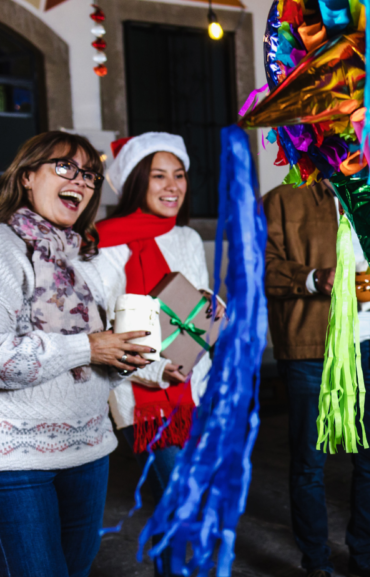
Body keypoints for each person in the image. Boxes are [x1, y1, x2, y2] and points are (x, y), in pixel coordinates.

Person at [0, 132, 152, 577]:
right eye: (64, 167)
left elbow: (96, 365)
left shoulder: (82, 259)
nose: (81, 181)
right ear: (28, 176)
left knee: (76, 570)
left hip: (89, 448)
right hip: (19, 462)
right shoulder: (5, 250)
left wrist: (125, 357)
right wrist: (90, 345)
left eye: (89, 174)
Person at [74, 132, 217, 577]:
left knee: (184, 507)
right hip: (148, 400)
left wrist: (213, 307)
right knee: (178, 505)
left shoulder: (189, 239)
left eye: (179, 175)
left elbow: (194, 311)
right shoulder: (105, 245)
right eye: (158, 176)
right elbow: (99, 329)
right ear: (137, 180)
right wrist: (157, 369)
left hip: (196, 392)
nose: (172, 185)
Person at [265, 181, 370, 577]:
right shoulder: (282, 200)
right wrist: (314, 279)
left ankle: (366, 557)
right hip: (311, 350)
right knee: (309, 464)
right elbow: (260, 268)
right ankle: (317, 562)